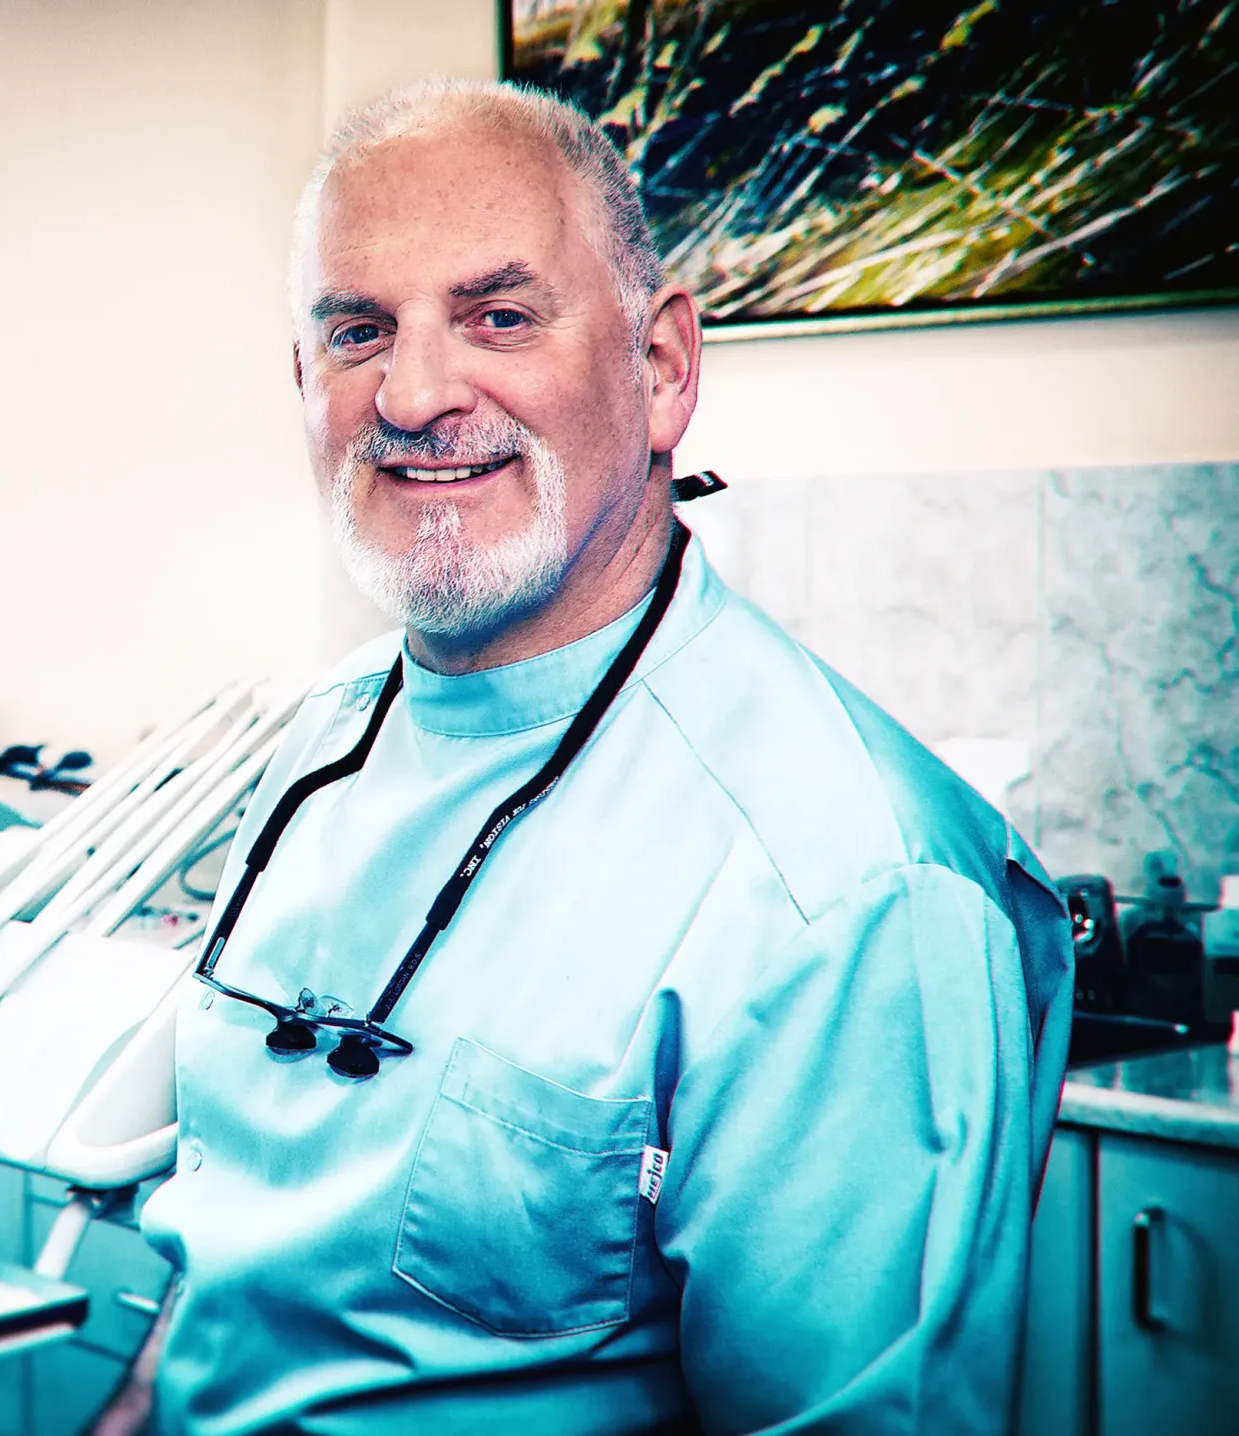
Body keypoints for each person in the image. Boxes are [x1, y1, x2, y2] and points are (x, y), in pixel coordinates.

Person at [103, 77, 1074, 1435]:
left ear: (661, 367)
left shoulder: (845, 893)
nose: (417, 392)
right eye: (358, 331)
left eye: (499, 316)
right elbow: (242, 1269)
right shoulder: (323, 746)